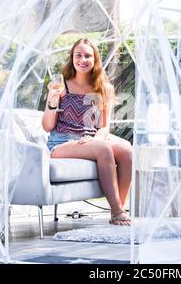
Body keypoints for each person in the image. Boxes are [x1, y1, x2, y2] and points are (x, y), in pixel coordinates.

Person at [42, 38, 132, 226]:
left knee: (126, 151)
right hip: (61, 142)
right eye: (78, 55)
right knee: (103, 150)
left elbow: (104, 127)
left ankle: (118, 209)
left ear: (95, 59)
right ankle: (117, 212)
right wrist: (52, 99)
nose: (83, 60)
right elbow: (47, 126)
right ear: (72, 58)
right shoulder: (62, 86)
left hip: (88, 140)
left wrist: (94, 139)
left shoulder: (104, 88)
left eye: (88, 56)